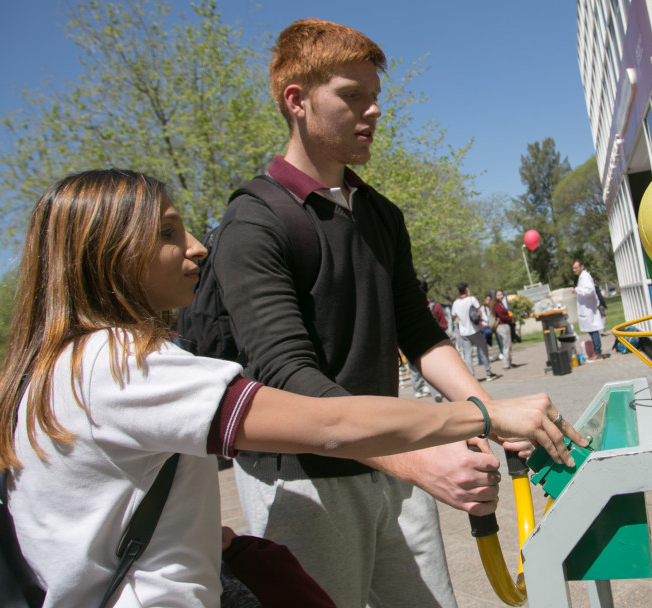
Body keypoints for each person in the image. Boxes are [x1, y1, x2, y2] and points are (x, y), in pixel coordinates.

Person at [0, 169, 583, 608]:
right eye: (169, 233)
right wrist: (483, 415)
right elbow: (324, 423)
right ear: (110, 252)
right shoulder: (122, 363)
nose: (198, 248)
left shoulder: (54, 368)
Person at [210, 19, 564, 606]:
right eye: (352, 96)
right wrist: (418, 460)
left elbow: (420, 334)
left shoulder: (380, 213)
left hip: (391, 458)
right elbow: (285, 377)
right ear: (296, 101)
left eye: (375, 97)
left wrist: (489, 413)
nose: (373, 112)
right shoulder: (254, 221)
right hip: (302, 479)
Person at [453, 282, 499, 381]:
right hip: (474, 329)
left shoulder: (455, 303)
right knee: (483, 350)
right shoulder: (471, 299)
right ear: (466, 289)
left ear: (458, 291)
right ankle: (488, 372)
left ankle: (471, 376)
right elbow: (479, 311)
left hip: (463, 331)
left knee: (467, 354)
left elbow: (454, 316)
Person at [572, 259, 606, 361]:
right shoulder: (582, 277)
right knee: (591, 330)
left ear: (582, 267)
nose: (574, 270)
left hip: (589, 308)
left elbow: (590, 290)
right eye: (573, 268)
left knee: (593, 330)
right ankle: (596, 352)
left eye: (576, 268)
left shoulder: (586, 276)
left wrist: (577, 290)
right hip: (586, 308)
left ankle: (598, 352)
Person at [493, 290, 515, 369]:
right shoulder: (497, 305)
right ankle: (506, 364)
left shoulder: (501, 304)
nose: (500, 296)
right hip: (502, 326)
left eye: (501, 294)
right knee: (506, 345)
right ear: (495, 296)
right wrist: (510, 319)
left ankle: (509, 362)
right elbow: (501, 316)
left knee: (507, 344)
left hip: (504, 325)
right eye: (498, 295)